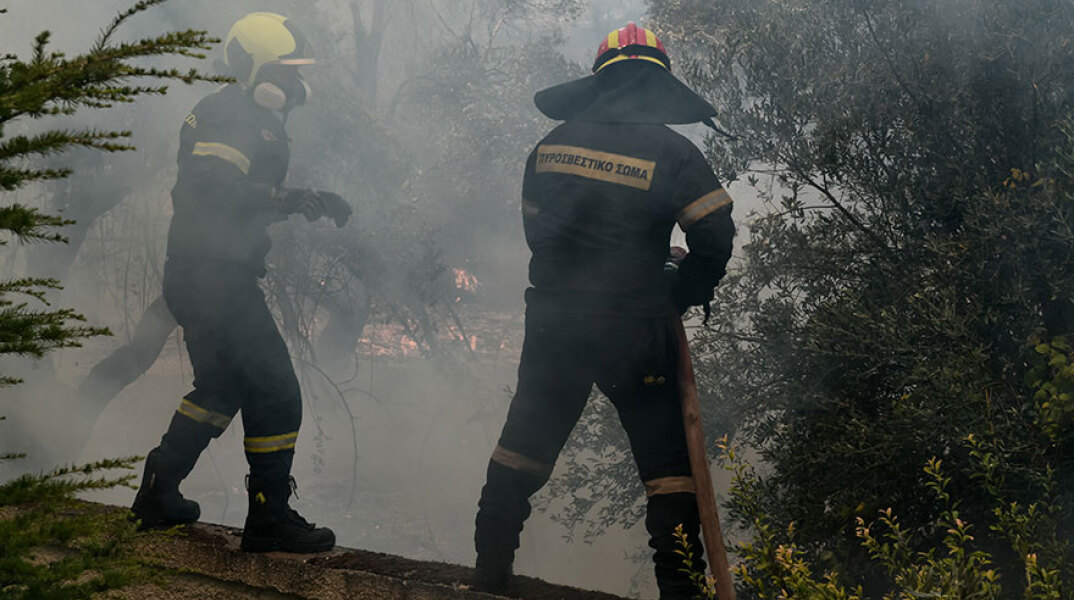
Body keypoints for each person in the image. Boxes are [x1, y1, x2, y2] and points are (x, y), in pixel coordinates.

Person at [473, 23, 735, 598]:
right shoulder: (674, 152)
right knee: (668, 469)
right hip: (633, 328)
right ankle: (680, 591)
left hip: (554, 323)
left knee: (522, 445)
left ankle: (488, 576)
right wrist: (675, 289)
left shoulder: (550, 147)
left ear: (601, 81)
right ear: (657, 85)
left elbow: (540, 235)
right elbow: (714, 241)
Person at [131, 12, 352, 554]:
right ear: (258, 69)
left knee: (222, 387)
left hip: (202, 274)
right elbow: (212, 187)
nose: (296, 81)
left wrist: (307, 201)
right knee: (276, 389)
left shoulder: (254, 119)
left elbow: (236, 204)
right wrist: (280, 196)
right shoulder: (227, 112)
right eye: (287, 68)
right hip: (214, 279)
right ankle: (270, 517)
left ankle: (158, 493)